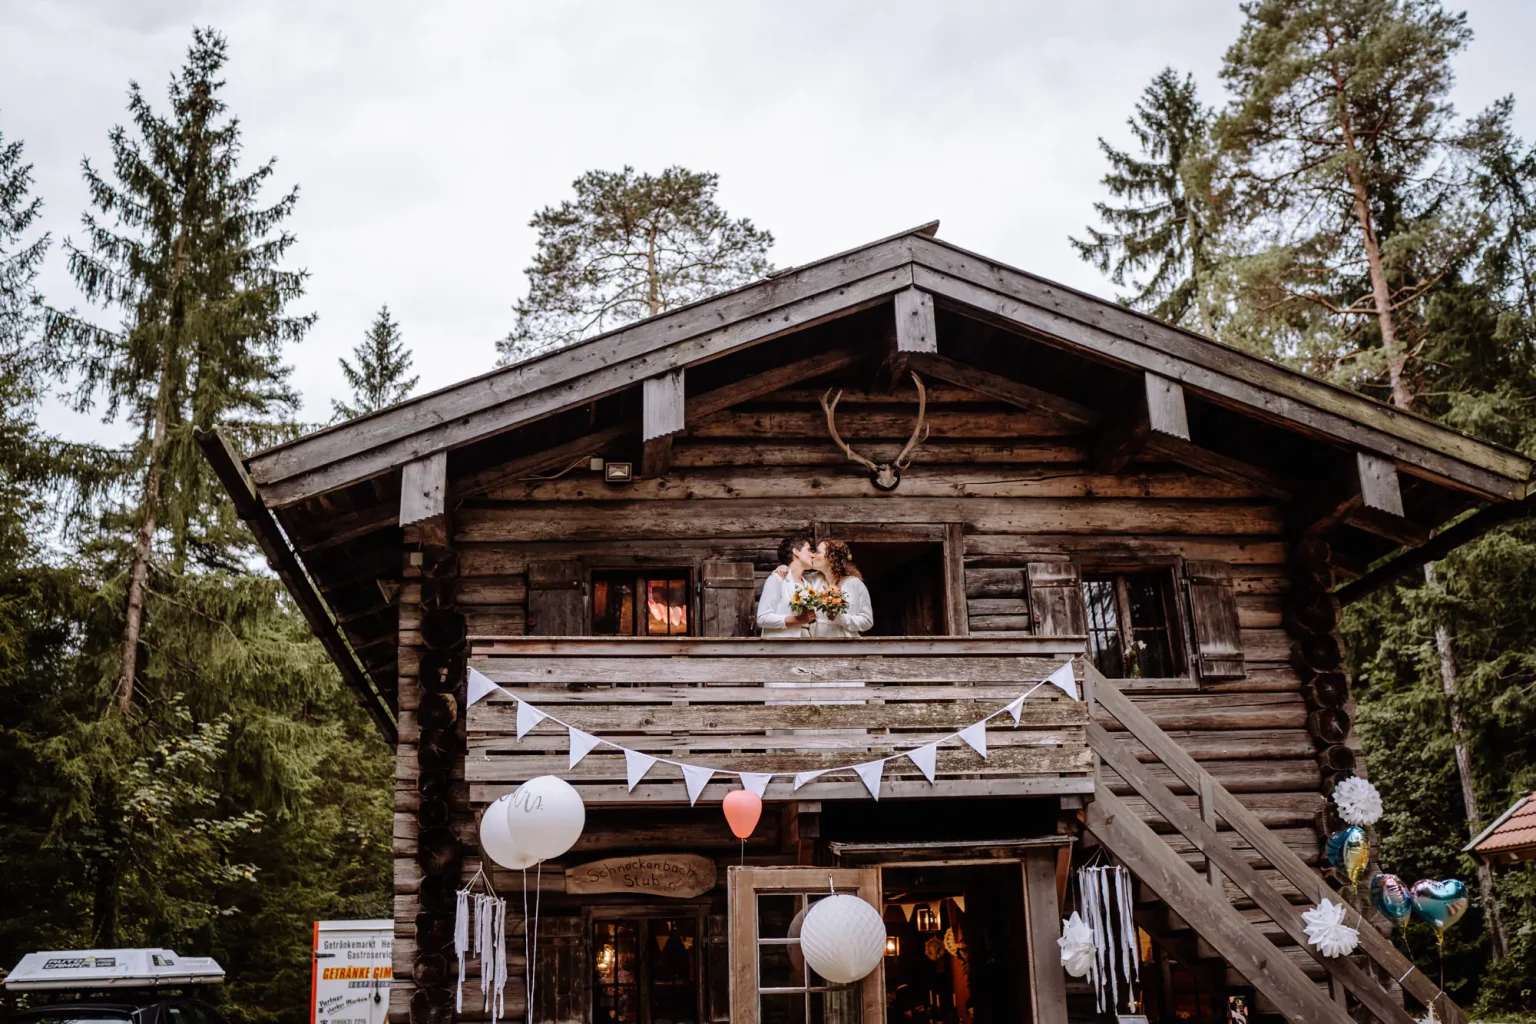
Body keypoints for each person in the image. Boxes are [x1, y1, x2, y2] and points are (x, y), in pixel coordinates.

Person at [757, 534, 820, 637]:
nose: (813, 555)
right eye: (809, 550)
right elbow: (762, 618)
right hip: (780, 646)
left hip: (805, 643)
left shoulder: (808, 585)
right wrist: (797, 620)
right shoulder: (777, 579)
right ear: (796, 552)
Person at [810, 540, 874, 638]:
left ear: (831, 557)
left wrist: (841, 619)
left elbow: (867, 621)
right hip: (818, 644)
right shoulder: (813, 581)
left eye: (818, 552)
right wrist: (783, 567)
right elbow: (794, 577)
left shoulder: (855, 584)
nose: (813, 555)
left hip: (846, 645)